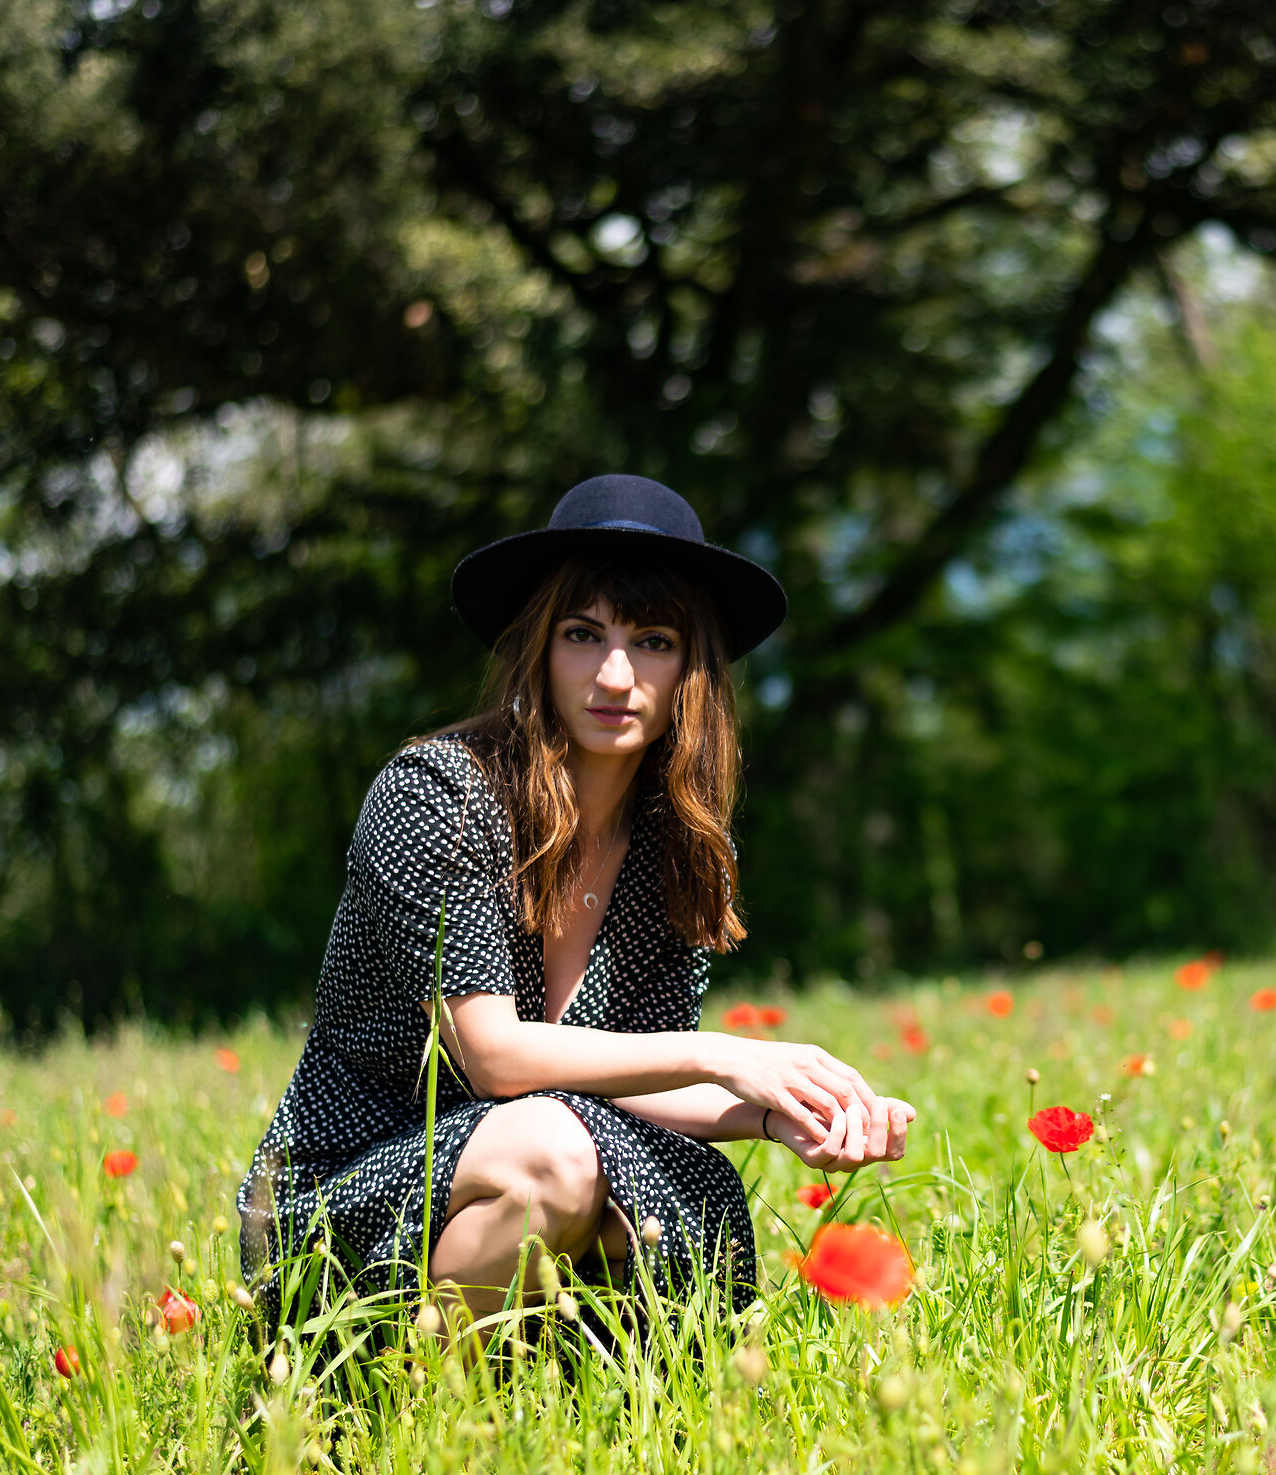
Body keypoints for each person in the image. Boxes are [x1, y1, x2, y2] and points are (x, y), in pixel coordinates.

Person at [236, 474, 913, 1322]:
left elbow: (633, 1076)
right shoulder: (441, 795)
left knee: (664, 1197)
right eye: (583, 634)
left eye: (655, 640)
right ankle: (412, 1410)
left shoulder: (685, 843)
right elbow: (496, 1060)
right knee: (560, 1154)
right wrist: (725, 1053)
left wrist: (787, 1116)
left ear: (691, 668)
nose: (616, 673)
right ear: (540, 649)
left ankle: (553, 1408)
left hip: (541, 1154)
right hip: (353, 1183)